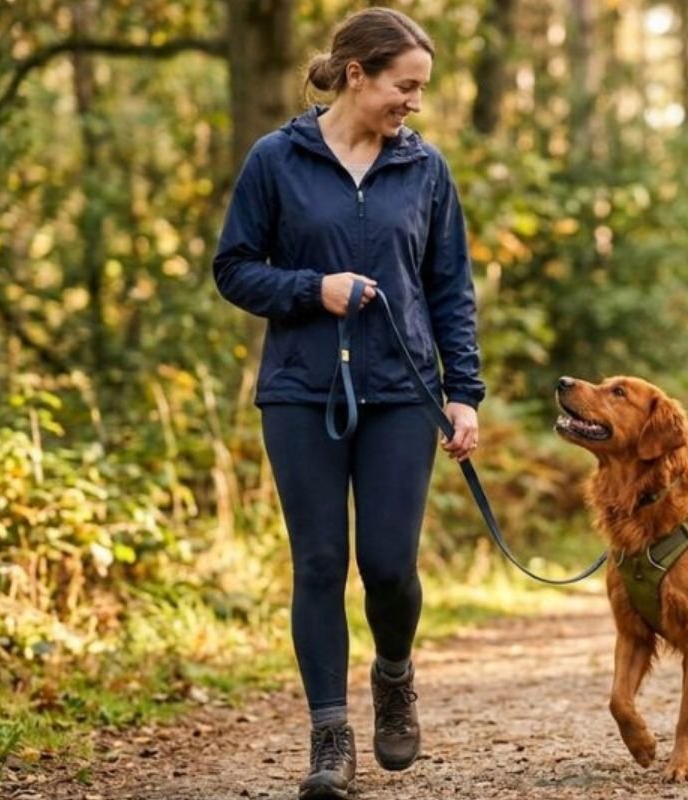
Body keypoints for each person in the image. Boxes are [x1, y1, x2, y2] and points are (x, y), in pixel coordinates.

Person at [212, 7, 484, 798]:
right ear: (356, 74)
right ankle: (330, 738)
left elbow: (450, 289)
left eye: (422, 88)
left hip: (403, 393)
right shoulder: (276, 160)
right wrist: (313, 289)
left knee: (389, 566)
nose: (415, 103)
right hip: (303, 392)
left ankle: (393, 675)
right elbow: (234, 268)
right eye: (406, 85)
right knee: (321, 562)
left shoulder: (425, 169)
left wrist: (463, 394)